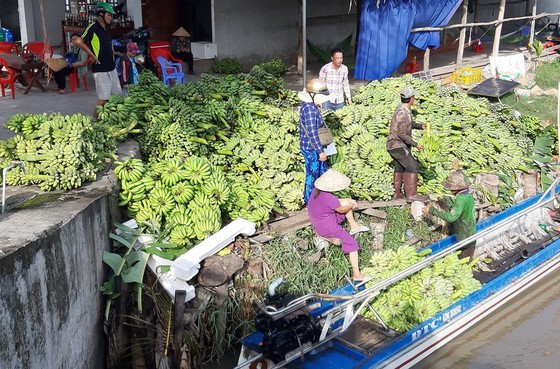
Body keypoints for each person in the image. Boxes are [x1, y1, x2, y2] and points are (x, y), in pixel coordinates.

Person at [308, 169, 370, 282]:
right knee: (352, 245)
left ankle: (354, 227)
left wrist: (347, 200)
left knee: (346, 203)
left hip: (318, 223)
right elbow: (342, 209)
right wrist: (351, 204)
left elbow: (335, 202)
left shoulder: (315, 191)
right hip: (328, 228)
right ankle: (357, 274)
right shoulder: (329, 198)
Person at [73, 2, 122, 120]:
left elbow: (109, 42)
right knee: (104, 98)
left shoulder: (107, 27)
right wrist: (92, 55)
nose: (111, 17)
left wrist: (113, 53)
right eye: (109, 15)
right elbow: (78, 41)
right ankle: (94, 120)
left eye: (111, 15)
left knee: (118, 95)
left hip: (111, 66)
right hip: (100, 69)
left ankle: (112, 118)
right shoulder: (93, 27)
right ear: (101, 15)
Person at [423, 168, 476, 260]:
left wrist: (432, 211)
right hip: (470, 229)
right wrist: (457, 170)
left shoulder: (461, 199)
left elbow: (451, 217)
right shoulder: (468, 194)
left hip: (464, 233)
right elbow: (465, 178)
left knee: (464, 258)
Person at [386, 85, 428, 203]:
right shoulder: (403, 112)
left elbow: (407, 124)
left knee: (400, 167)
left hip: (393, 145)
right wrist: (415, 144)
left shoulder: (402, 109)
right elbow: (402, 134)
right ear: (411, 98)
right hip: (398, 145)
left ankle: (397, 194)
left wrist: (420, 126)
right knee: (413, 166)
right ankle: (412, 195)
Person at [299, 78, 331, 204]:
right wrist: (320, 152)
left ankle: (320, 200)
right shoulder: (310, 109)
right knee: (312, 176)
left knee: (321, 174)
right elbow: (312, 132)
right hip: (311, 148)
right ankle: (311, 202)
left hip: (314, 147)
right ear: (313, 95)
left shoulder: (311, 106)